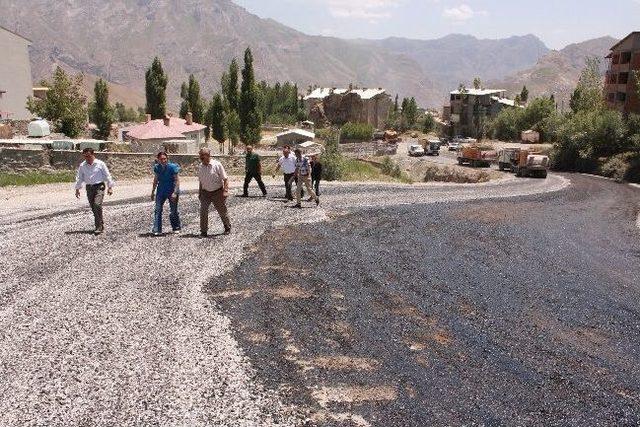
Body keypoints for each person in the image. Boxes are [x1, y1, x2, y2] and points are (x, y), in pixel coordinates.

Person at [74, 148, 115, 235]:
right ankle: (100, 224)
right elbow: (79, 178)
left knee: (97, 204)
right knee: (94, 208)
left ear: (93, 155)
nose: (87, 158)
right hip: (89, 188)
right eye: (85, 156)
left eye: (88, 156)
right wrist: (77, 189)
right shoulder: (82, 166)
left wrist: (110, 187)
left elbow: (107, 175)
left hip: (99, 186)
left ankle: (98, 226)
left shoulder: (100, 164)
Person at [198, 147, 231, 237]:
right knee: (203, 211)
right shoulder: (200, 167)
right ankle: (203, 231)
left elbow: (225, 179)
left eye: (202, 155)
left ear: (208, 155)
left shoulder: (217, 165)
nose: (200, 157)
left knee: (222, 211)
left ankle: (227, 226)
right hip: (205, 193)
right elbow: (201, 181)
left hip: (217, 192)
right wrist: (200, 193)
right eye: (200, 155)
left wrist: (225, 191)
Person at [150, 151, 181, 235]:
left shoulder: (173, 167)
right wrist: (152, 192)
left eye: (165, 159)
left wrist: (175, 192)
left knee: (173, 210)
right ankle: (157, 229)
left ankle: (176, 227)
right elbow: (156, 180)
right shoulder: (157, 168)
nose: (163, 160)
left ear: (167, 159)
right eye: (161, 159)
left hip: (171, 190)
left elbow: (177, 180)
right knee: (158, 209)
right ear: (158, 160)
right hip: (161, 191)